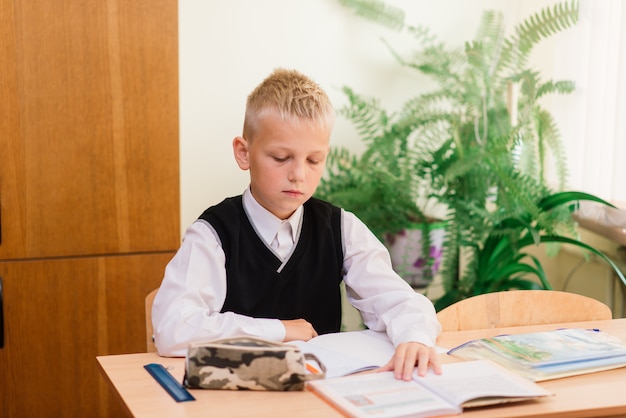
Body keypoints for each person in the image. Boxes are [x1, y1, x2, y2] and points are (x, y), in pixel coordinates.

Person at [152, 68, 442, 380]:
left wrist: (415, 336)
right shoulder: (213, 234)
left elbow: (400, 301)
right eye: (280, 157)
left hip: (321, 396)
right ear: (244, 152)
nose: (299, 175)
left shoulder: (341, 228)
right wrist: (279, 330)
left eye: (314, 160)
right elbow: (173, 328)